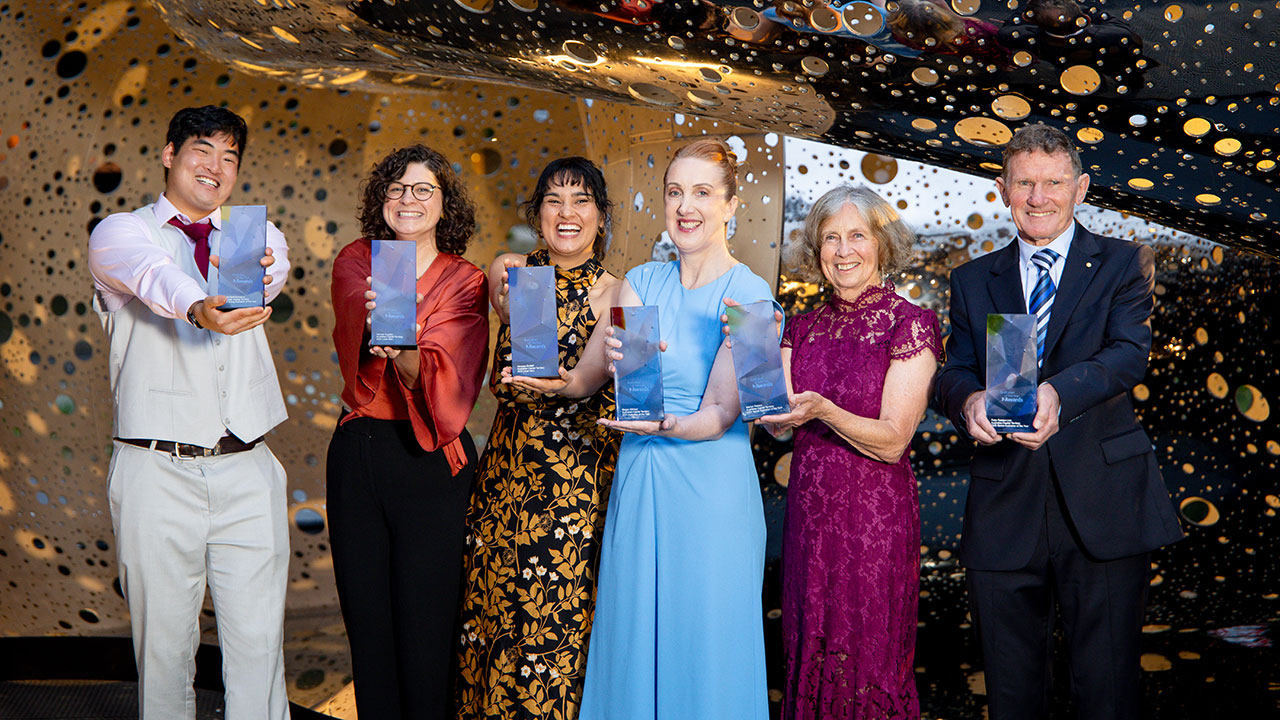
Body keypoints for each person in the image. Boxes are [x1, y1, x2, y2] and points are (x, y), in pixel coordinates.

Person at [506, 138, 776, 719]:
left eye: (702, 193)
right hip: (641, 478)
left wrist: (667, 424)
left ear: (731, 205)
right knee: (633, 637)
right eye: (675, 192)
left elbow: (724, 415)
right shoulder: (643, 283)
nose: (686, 206)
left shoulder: (750, 294)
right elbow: (588, 380)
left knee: (703, 648)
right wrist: (554, 380)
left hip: (709, 492)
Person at [935, 124, 1183, 720]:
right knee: (1012, 696)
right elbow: (952, 372)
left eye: (1053, 183)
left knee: (1106, 691)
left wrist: (1055, 393)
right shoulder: (973, 279)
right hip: (1005, 507)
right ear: (1002, 189)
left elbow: (1128, 355)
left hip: (1104, 506)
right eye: (1024, 183)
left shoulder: (1124, 263)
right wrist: (967, 401)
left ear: (1081, 188)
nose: (1038, 197)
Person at [88, 105, 292, 719]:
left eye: (230, 157)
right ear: (169, 154)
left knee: (260, 648)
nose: (217, 166)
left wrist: (254, 279)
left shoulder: (258, 237)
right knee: (165, 652)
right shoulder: (121, 234)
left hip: (248, 465)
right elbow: (154, 278)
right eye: (203, 149)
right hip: (156, 469)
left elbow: (272, 270)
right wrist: (202, 307)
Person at [761, 185, 941, 719]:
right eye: (830, 239)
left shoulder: (910, 323)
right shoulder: (800, 325)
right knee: (808, 649)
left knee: (869, 660)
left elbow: (893, 441)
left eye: (857, 236)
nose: (843, 251)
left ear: (882, 245)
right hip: (810, 523)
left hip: (874, 523)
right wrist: (756, 363)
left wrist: (824, 410)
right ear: (816, 251)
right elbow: (778, 427)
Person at [455, 157, 622, 719]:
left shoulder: (617, 294)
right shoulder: (512, 272)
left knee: (553, 627)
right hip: (505, 473)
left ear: (601, 216)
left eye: (581, 201)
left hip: (572, 484)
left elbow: (602, 384)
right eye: (554, 200)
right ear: (537, 213)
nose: (567, 213)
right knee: (491, 617)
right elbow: (490, 353)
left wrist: (576, 383)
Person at [327, 145, 489, 719]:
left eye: (424, 189)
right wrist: (378, 320)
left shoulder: (467, 279)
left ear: (445, 204)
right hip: (361, 454)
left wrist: (406, 341)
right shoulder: (355, 259)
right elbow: (354, 330)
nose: (409, 200)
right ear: (382, 200)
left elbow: (453, 370)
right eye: (397, 188)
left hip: (431, 462)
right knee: (368, 629)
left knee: (427, 630)